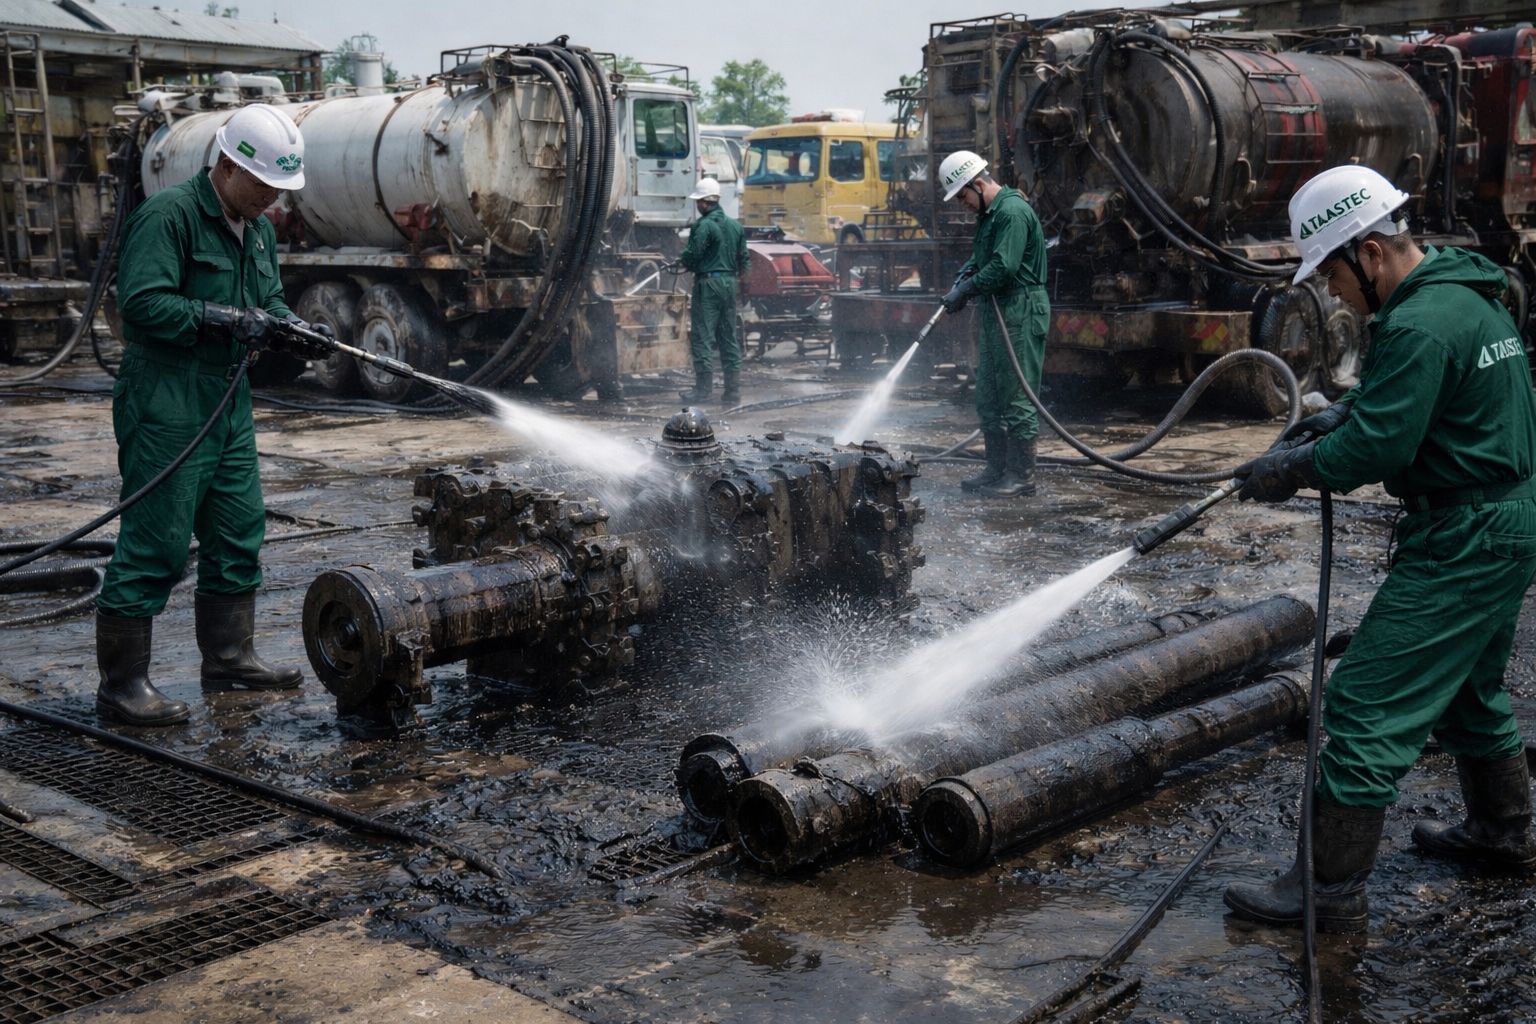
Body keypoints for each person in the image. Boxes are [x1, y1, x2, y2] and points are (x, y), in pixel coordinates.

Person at [1224, 164, 1536, 933]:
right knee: (1468, 687)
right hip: (1506, 521)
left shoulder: (1420, 322)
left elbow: (1374, 453)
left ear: (1368, 252)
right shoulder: (1464, 298)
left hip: (1463, 536)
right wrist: (1348, 412)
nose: (1331, 293)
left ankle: (1324, 894)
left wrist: (1291, 468)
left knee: (1363, 703)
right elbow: (1416, 396)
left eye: (1331, 272)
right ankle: (1502, 833)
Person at [95, 103, 334, 726]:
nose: (273, 202)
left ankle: (229, 657)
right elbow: (142, 306)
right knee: (158, 540)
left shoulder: (258, 230)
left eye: (281, 191)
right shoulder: (168, 217)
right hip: (168, 394)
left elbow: (270, 299)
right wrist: (223, 319)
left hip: (227, 398)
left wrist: (291, 329)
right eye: (264, 187)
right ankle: (122, 686)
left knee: (237, 529)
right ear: (227, 166)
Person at [937, 150, 1050, 498]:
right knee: (988, 395)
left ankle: (1021, 476)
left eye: (962, 196)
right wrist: (968, 270)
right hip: (996, 308)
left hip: (1020, 308)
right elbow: (986, 256)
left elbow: (1005, 267)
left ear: (977, 183)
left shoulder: (1012, 211)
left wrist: (967, 289)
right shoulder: (990, 215)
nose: (962, 204)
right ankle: (996, 468)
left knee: (1017, 396)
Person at [675, 177, 749, 405]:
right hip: (729, 284)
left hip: (708, 285)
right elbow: (744, 261)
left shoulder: (703, 226)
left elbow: (693, 255)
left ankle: (703, 390)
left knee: (702, 336)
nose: (697, 206)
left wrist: (683, 261)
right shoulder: (736, 227)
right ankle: (733, 391)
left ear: (705, 203)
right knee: (728, 337)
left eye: (698, 202)